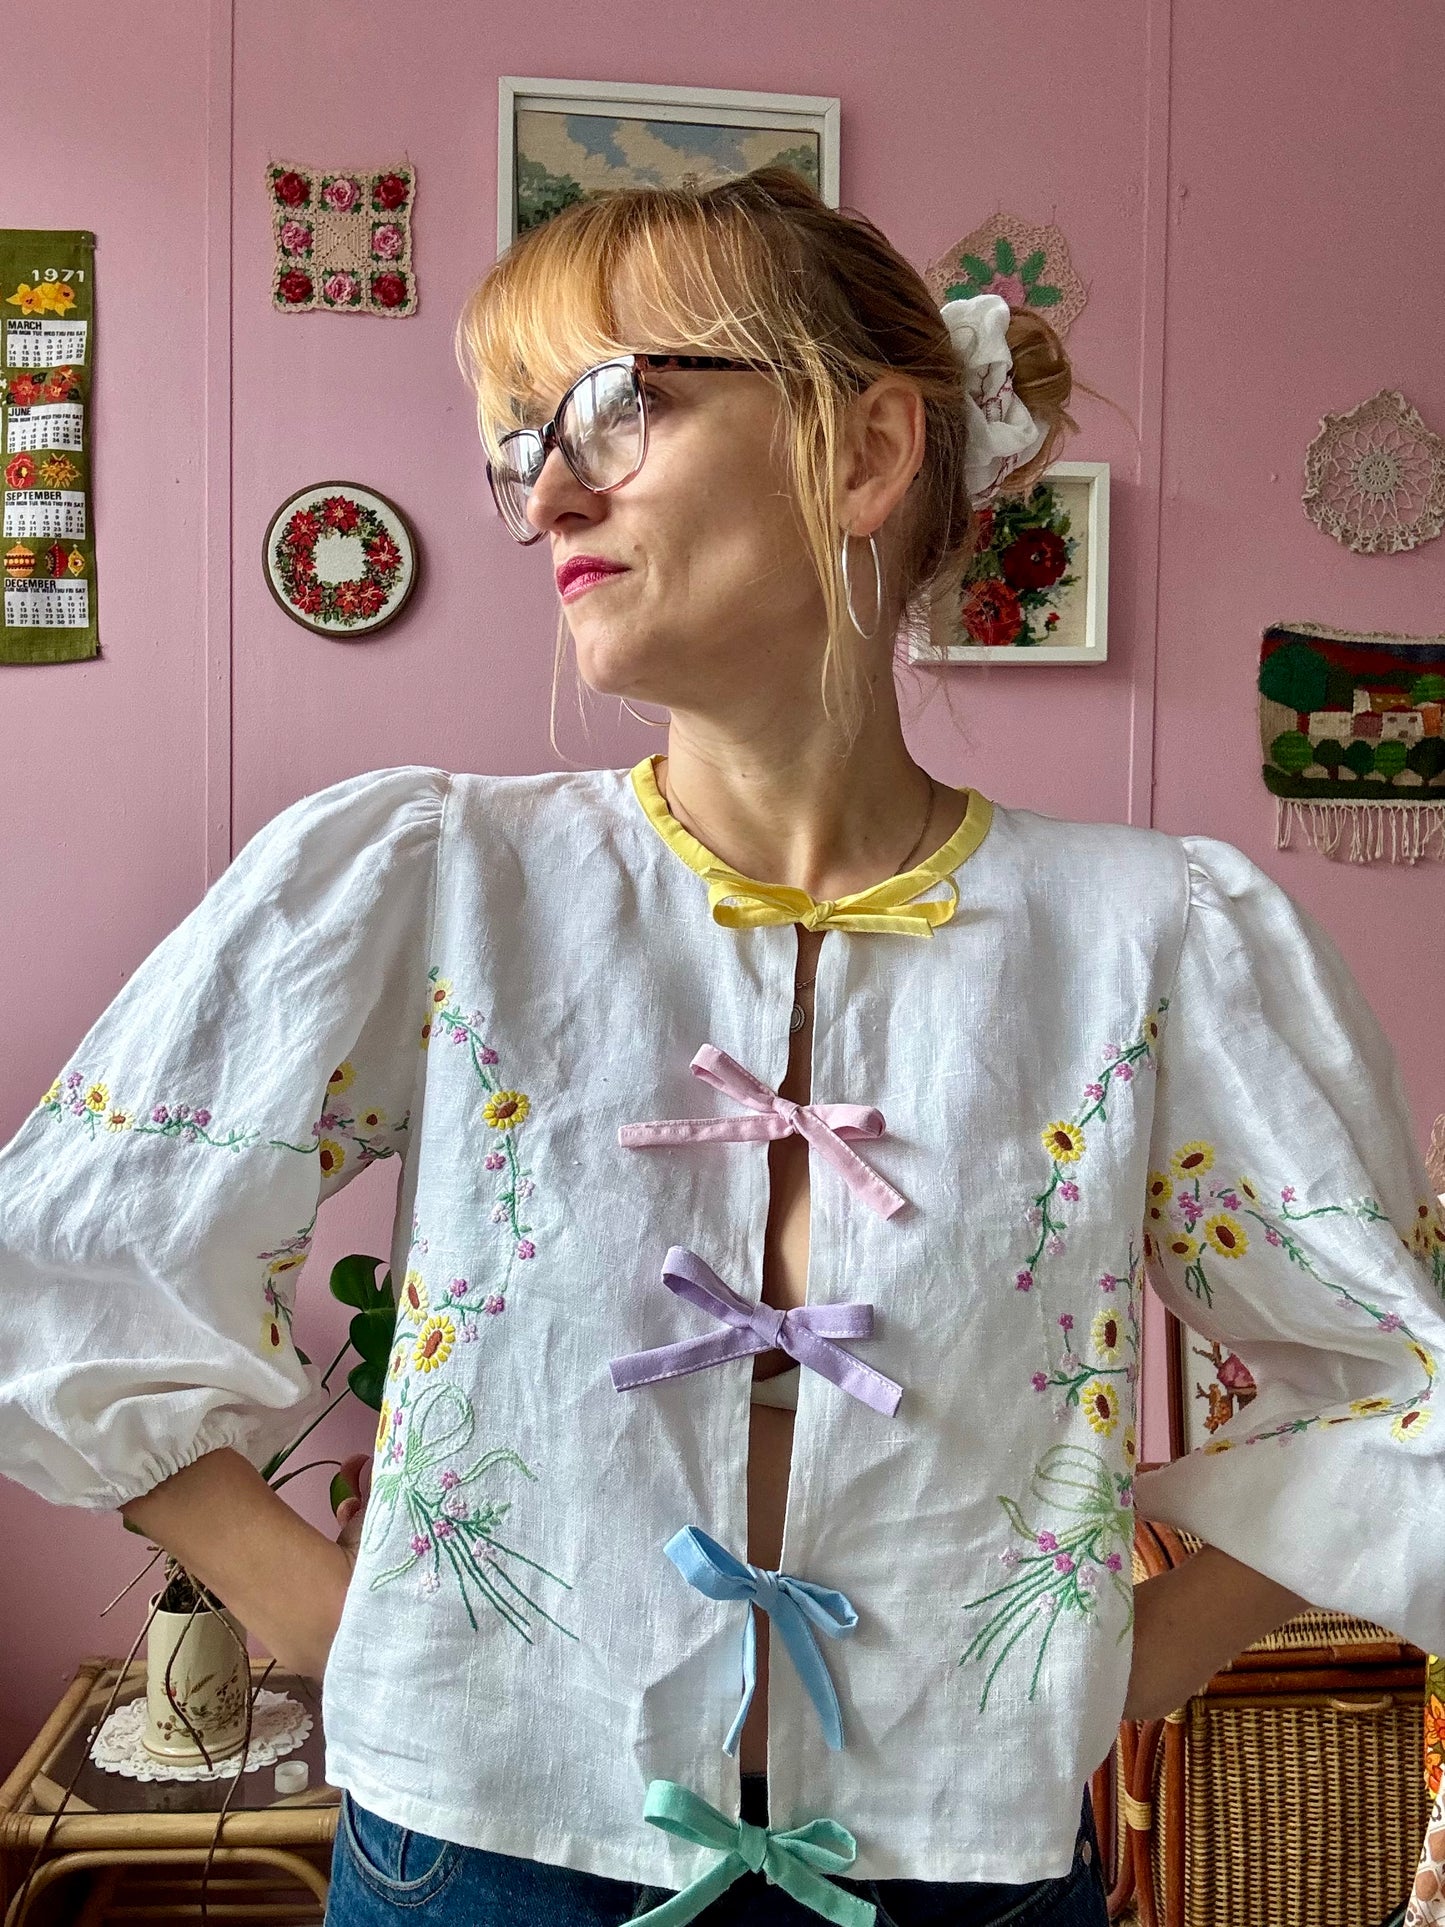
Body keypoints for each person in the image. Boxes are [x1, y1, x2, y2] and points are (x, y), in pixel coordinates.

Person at [3, 166, 1444, 1927]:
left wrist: (1120, 1668)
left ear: (860, 453)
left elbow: (1395, 1375)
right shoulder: (434, 881)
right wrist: (333, 1621)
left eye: (618, 403)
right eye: (515, 437)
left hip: (961, 1880)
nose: (544, 491)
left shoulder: (1152, 937)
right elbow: (65, 1266)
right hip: (479, 1857)